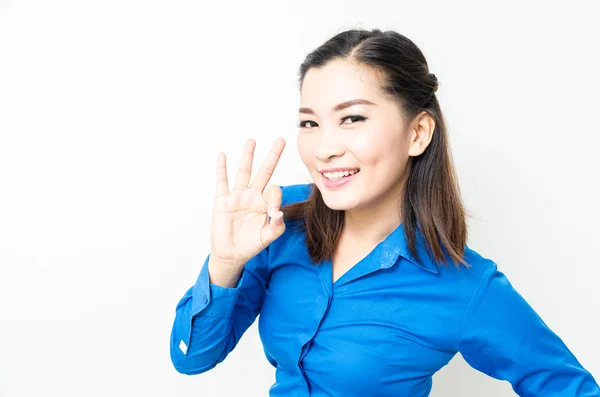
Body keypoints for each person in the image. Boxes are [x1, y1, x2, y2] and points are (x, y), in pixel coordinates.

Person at [169, 28, 599, 396]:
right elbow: (193, 359)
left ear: (417, 132)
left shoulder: (464, 286)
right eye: (309, 123)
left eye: (352, 118)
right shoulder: (277, 220)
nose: (324, 148)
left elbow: (567, 385)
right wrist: (225, 265)